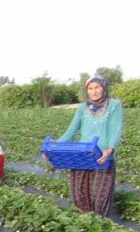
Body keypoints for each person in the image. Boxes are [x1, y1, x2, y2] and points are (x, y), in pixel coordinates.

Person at [52, 76, 123, 216]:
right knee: (79, 193)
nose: (94, 91)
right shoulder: (83, 108)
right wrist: (54, 147)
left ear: (104, 88)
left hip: (102, 156)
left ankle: (100, 223)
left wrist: (110, 149)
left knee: (99, 197)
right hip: (82, 155)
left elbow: (115, 129)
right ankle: (85, 222)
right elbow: (71, 131)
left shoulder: (114, 104)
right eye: (90, 88)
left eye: (97, 87)